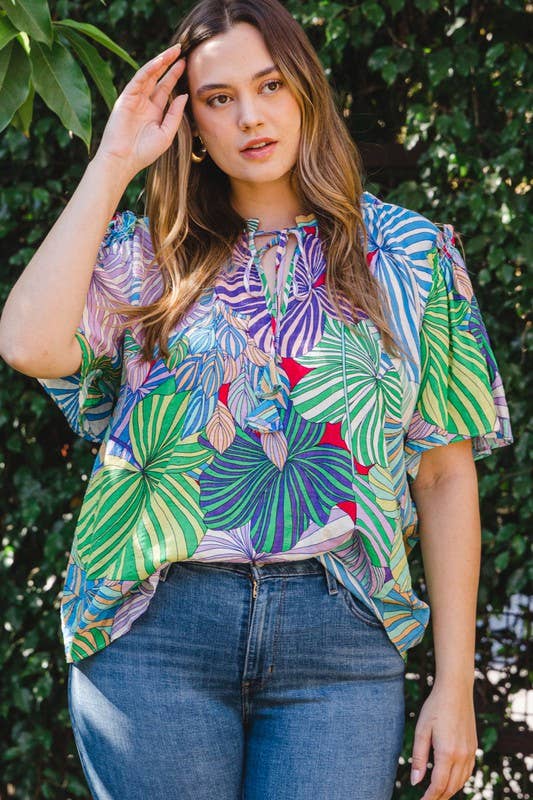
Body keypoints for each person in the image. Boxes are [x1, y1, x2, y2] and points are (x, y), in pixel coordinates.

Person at [0, 1, 514, 798]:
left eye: (270, 85)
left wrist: (454, 685)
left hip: (339, 638)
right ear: (191, 125)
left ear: (306, 89)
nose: (249, 116)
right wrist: (114, 162)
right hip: (154, 631)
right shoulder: (146, 255)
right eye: (218, 98)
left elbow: (444, 475)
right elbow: (28, 343)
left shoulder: (410, 255)